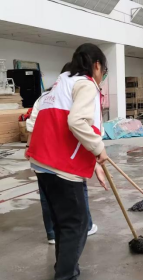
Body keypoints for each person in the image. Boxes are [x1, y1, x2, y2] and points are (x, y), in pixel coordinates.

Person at [26, 44, 109, 280]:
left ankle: (63, 272)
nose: (101, 77)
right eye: (103, 72)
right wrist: (98, 148)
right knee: (77, 223)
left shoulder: (60, 83)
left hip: (43, 162)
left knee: (64, 223)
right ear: (97, 65)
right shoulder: (85, 84)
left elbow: (47, 123)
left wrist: (94, 161)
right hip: (62, 166)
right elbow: (76, 122)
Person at [26, 63, 108, 245]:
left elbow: (32, 124)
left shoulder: (45, 97)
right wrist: (96, 153)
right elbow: (84, 128)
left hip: (41, 156)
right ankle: (85, 227)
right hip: (65, 158)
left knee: (47, 196)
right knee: (77, 192)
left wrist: (29, 147)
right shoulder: (81, 92)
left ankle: (53, 233)